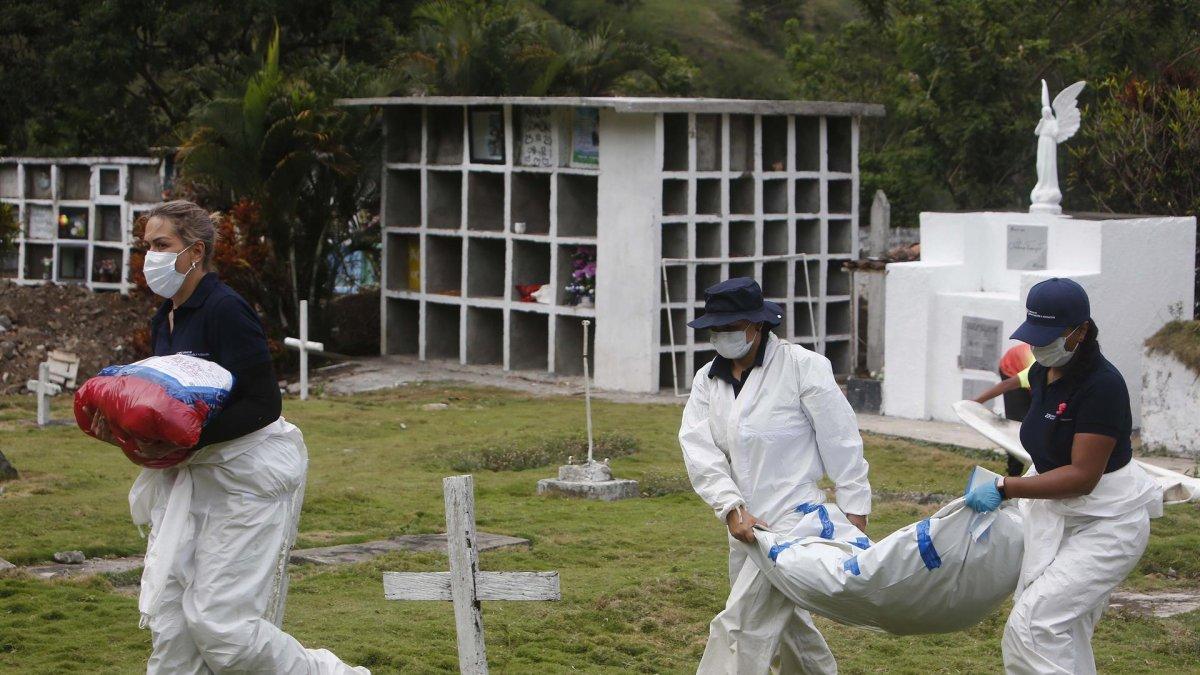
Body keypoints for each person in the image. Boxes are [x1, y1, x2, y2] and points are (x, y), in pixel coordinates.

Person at [87, 200, 367, 674]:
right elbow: (173, 411)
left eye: (160, 245)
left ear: (194, 251)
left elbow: (263, 403)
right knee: (172, 627)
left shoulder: (225, 309)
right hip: (191, 476)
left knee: (223, 628)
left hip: (246, 475)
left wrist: (188, 441)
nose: (148, 258)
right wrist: (122, 434)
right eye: (145, 247)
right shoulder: (164, 319)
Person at [963, 278, 1161, 675]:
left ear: (1080, 332)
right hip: (1061, 516)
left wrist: (1007, 487)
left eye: (1048, 337)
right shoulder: (1041, 372)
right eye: (1033, 336)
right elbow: (1050, 451)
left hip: (1109, 524)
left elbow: (1082, 476)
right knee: (1064, 631)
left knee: (1033, 627)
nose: (1038, 346)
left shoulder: (1102, 385)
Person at [679, 278, 871, 674]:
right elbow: (699, 448)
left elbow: (841, 439)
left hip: (794, 522)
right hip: (744, 524)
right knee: (788, 628)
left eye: (731, 328)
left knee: (741, 626)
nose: (722, 337)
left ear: (757, 325)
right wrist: (731, 508)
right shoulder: (707, 381)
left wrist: (854, 506)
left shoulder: (803, 368)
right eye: (716, 329)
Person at [972, 342, 1035, 476]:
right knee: (1019, 425)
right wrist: (976, 402)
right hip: (1012, 367)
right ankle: (1014, 473)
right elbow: (1007, 385)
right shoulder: (1037, 369)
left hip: (1028, 367)